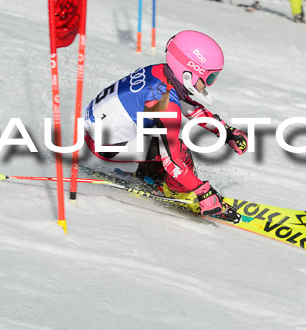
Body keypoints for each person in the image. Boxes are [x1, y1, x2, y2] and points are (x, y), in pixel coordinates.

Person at [82, 30, 249, 222]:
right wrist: (204, 192)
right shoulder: (164, 101)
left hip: (98, 131)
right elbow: (173, 159)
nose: (209, 85)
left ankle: (148, 175)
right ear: (188, 73)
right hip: (105, 146)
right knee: (178, 149)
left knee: (159, 133)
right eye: (209, 78)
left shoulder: (161, 73)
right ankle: (178, 192)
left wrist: (226, 132)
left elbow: (188, 106)